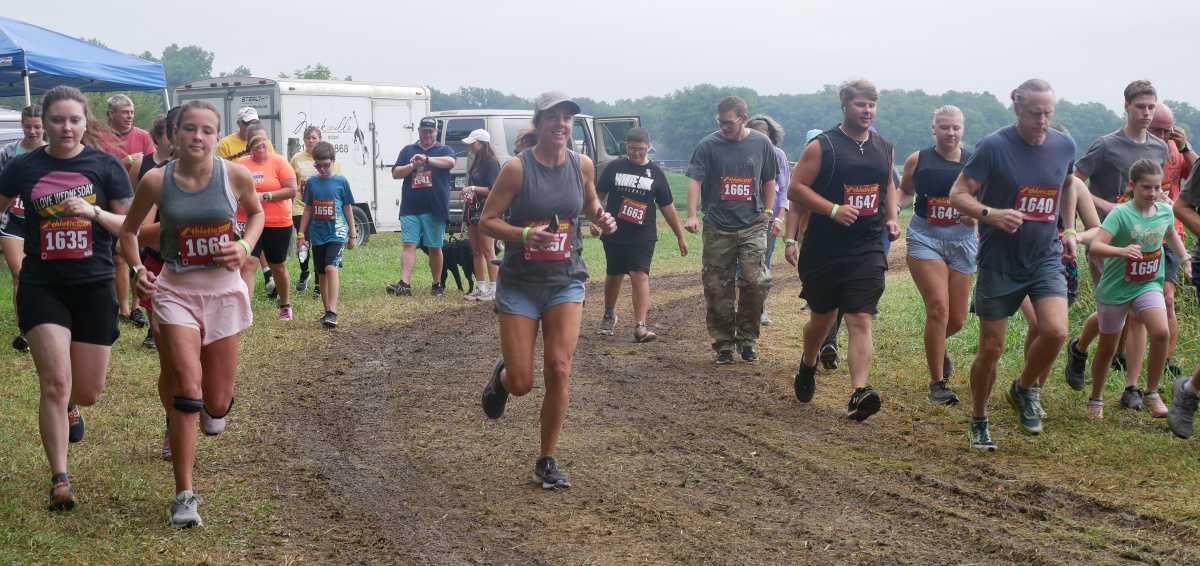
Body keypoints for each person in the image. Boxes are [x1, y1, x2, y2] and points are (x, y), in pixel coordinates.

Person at [119, 99, 262, 528]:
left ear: (217, 136)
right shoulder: (156, 181)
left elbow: (255, 215)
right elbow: (128, 232)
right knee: (186, 391)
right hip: (176, 291)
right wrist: (139, 268)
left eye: (207, 130)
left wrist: (244, 246)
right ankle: (184, 495)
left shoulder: (233, 175)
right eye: (189, 130)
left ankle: (211, 409)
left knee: (215, 406)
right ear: (173, 135)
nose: (198, 137)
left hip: (222, 293)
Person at [0, 85, 133, 511]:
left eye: (74, 120)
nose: (65, 128)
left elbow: (128, 225)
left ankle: (76, 406)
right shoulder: (24, 167)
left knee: (87, 390)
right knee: (54, 382)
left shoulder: (106, 167)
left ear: (85, 122)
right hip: (43, 284)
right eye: (57, 120)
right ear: (44, 122)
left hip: (94, 284)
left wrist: (94, 213)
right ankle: (60, 478)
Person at [479, 92, 617, 489]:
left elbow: (590, 207)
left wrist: (602, 220)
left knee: (559, 368)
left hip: (565, 280)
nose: (561, 125)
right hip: (520, 284)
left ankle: (547, 459)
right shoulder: (517, 170)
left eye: (568, 119)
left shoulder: (582, 166)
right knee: (522, 382)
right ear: (539, 124)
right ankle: (501, 380)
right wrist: (523, 234)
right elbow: (488, 220)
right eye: (554, 118)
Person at [949, 78, 1078, 449]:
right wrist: (990, 213)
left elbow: (1068, 184)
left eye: (1048, 114)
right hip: (999, 260)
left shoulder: (1063, 144)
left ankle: (1023, 389)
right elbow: (958, 194)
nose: (1042, 121)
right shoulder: (993, 146)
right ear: (1018, 109)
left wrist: (1068, 228)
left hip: (1044, 256)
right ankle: (978, 418)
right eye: (1035, 114)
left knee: (1054, 331)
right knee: (992, 347)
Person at [787, 79, 898, 422]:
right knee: (822, 318)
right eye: (860, 105)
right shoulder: (823, 147)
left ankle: (858, 392)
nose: (867, 111)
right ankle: (808, 364)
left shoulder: (882, 146)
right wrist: (833, 209)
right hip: (824, 247)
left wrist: (892, 218)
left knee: (860, 317)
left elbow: (888, 185)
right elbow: (795, 189)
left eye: (871, 105)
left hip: (867, 245)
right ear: (845, 107)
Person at [1065, 80, 1169, 410]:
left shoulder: (1159, 148)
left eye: (1152, 107)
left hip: (1144, 244)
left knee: (1138, 314)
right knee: (1113, 310)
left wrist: (1160, 200)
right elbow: (1074, 183)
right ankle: (1080, 348)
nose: (1147, 113)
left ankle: (1132, 388)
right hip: (1107, 236)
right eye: (1141, 107)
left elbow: (1157, 187)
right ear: (1126, 106)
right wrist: (1106, 206)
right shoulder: (1106, 145)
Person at [1080, 160, 1185, 419]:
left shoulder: (1164, 211)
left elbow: (1170, 234)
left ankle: (1151, 392)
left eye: (1157, 187)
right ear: (1132, 186)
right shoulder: (1121, 214)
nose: (1152, 193)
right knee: (1107, 347)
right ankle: (1096, 397)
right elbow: (1096, 247)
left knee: (1160, 332)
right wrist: (1121, 251)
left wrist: (1185, 259)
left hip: (1148, 282)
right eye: (1146, 188)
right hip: (1117, 287)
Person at [683, 96, 777, 364]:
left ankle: (747, 339)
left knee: (756, 281)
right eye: (720, 122)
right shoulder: (708, 145)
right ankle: (724, 344)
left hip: (752, 224)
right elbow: (695, 181)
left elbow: (769, 180)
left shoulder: (761, 143)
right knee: (716, 286)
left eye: (728, 122)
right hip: (718, 226)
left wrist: (769, 212)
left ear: (743, 118)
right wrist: (691, 215)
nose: (723, 127)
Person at [898, 105, 974, 405]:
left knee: (956, 319)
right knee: (938, 309)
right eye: (944, 127)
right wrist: (892, 213)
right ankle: (937, 384)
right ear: (934, 129)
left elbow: (984, 202)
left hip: (963, 242)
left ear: (963, 129)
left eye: (955, 127)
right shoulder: (918, 159)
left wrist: (975, 217)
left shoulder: (975, 163)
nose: (950, 133)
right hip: (925, 238)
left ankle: (937, 346)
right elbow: (905, 192)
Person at [595, 127, 687, 342]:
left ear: (648, 147)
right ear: (626, 147)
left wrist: (680, 236)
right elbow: (597, 197)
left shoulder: (656, 173)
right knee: (614, 274)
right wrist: (597, 220)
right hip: (615, 230)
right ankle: (609, 313)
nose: (636, 153)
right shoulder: (614, 168)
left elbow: (668, 207)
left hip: (642, 233)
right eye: (632, 148)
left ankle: (640, 326)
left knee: (640, 274)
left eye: (640, 149)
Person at [1149, 104, 1196, 376]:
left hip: (1171, 232)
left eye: (1168, 129)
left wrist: (1185, 147)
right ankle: (1119, 354)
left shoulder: (1177, 151)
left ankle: (1167, 360)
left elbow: (1197, 174)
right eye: (1157, 129)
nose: (1163, 135)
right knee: (1129, 304)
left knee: (1167, 298)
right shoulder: (1135, 149)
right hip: (1139, 232)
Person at [385, 117, 455, 297]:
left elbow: (450, 162)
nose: (427, 135)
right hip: (411, 206)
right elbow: (395, 173)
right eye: (424, 131)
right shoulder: (408, 150)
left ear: (436, 132)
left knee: (434, 247)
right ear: (419, 131)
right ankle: (404, 284)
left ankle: (437, 283)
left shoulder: (444, 149)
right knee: (409, 245)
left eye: (430, 132)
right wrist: (412, 164)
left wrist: (427, 159)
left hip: (435, 207)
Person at [102, 95, 154, 330]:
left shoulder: (143, 136)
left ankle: (137, 307)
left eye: (131, 112)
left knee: (138, 254)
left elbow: (152, 165)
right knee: (117, 256)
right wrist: (124, 162)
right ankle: (122, 308)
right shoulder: (100, 137)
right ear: (111, 114)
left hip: (139, 203)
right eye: (124, 112)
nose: (130, 116)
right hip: (108, 205)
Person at [129, 114, 178, 349]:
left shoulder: (222, 172)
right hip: (156, 239)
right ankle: (153, 329)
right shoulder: (148, 169)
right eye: (169, 135)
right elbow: (135, 201)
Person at [236, 129, 297, 320]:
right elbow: (233, 187)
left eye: (264, 144)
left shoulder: (279, 162)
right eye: (256, 144)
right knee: (248, 263)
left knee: (277, 265)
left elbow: (291, 190)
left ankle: (285, 305)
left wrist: (266, 196)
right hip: (251, 221)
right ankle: (245, 311)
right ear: (250, 148)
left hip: (277, 222)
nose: (261, 147)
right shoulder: (242, 164)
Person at [0, 105, 45, 352]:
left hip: (42, 222)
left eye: (37, 126)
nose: (32, 131)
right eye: (28, 126)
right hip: (12, 221)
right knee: (20, 274)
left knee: (42, 274)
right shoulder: (8, 152)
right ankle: (24, 329)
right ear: (22, 125)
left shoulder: (52, 153)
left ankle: (42, 323)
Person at [298, 141, 357, 327]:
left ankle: (332, 311)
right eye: (318, 165)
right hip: (318, 233)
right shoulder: (312, 183)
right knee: (321, 272)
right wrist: (301, 234)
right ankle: (326, 311)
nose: (322, 169)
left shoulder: (341, 182)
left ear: (333, 161)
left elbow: (347, 208)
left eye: (326, 164)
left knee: (331, 268)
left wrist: (352, 234)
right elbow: (308, 209)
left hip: (337, 232)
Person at [745, 115, 789, 326]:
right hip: (744, 218)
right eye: (755, 134)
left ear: (771, 136)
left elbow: (783, 190)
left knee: (764, 263)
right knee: (742, 265)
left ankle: (761, 308)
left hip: (769, 219)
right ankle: (743, 307)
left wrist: (779, 218)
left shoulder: (778, 155)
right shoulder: (742, 153)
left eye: (765, 135)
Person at [290, 126, 342, 295]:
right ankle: (304, 271)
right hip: (300, 206)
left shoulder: (329, 160)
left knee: (319, 245)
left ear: (320, 139)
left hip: (323, 209)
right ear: (303, 140)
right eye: (307, 138)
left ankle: (320, 284)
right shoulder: (297, 158)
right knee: (303, 243)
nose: (310, 140)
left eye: (314, 137)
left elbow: (336, 183)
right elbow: (291, 181)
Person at [461, 128, 500, 301]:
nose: (470, 146)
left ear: (481, 143)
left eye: (472, 143)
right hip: (473, 208)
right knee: (476, 250)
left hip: (486, 209)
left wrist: (474, 188)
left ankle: (494, 288)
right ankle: (480, 286)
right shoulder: (476, 160)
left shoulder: (491, 162)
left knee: (488, 249)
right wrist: (469, 191)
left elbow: (494, 189)